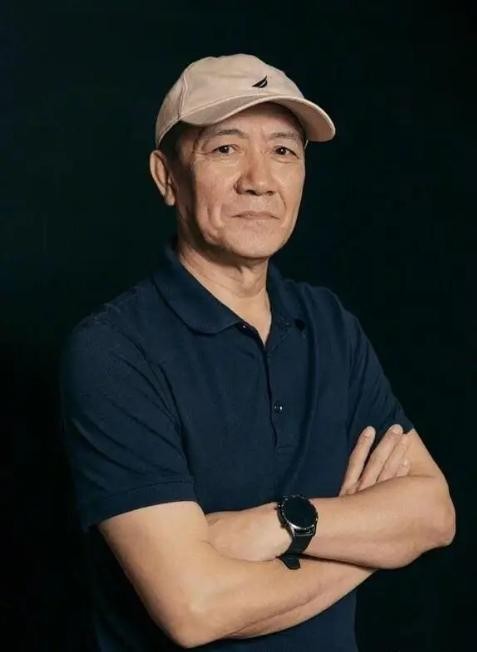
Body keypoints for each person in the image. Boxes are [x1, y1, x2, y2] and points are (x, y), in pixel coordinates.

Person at [59, 54, 456, 651]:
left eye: (284, 151)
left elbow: (434, 514)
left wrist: (277, 526)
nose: (260, 180)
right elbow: (196, 609)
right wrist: (371, 546)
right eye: (225, 149)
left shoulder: (329, 324)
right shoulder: (114, 350)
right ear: (166, 177)